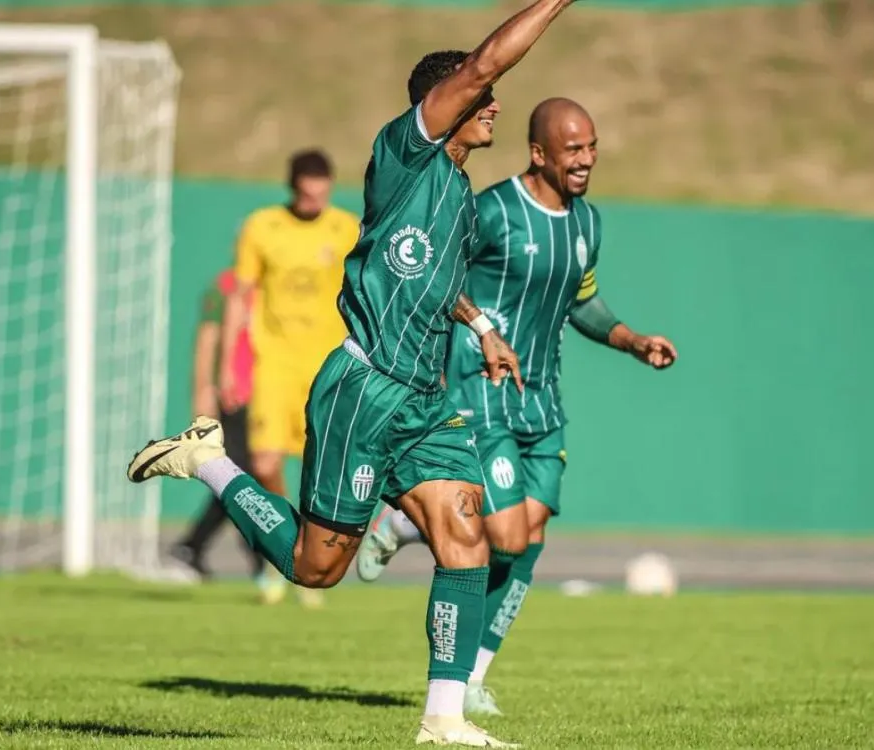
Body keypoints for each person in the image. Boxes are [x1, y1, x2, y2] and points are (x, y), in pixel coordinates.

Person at [127, 2, 580, 745]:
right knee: (315, 568)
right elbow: (486, 64)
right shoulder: (408, 154)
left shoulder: (461, 199)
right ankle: (208, 460)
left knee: (464, 535)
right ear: (449, 103)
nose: (494, 105)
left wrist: (481, 328)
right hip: (362, 390)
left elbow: (436, 281)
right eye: (481, 99)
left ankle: (443, 720)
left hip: (426, 401)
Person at [354, 98, 678, 717]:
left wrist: (632, 341)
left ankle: (474, 676)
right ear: (539, 153)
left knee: (529, 538)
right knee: (502, 532)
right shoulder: (494, 211)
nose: (585, 161)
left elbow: (583, 302)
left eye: (591, 148)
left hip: (543, 401)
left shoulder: (588, 224)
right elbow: (439, 275)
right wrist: (466, 333)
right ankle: (402, 523)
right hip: (481, 390)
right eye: (573, 150)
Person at [219, 149, 360, 606]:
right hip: (275, 362)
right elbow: (240, 296)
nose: (313, 201)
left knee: (321, 470)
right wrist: (227, 366)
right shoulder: (262, 227)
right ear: (293, 187)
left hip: (328, 364)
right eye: (305, 193)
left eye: (321, 193)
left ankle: (311, 558)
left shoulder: (346, 229)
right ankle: (280, 551)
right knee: (263, 464)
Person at [170, 269, 264, 583]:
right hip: (234, 395)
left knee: (247, 475)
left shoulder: (278, 287)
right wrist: (203, 390)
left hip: (269, 396)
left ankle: (193, 546)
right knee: (240, 476)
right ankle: (259, 554)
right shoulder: (224, 288)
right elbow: (208, 340)